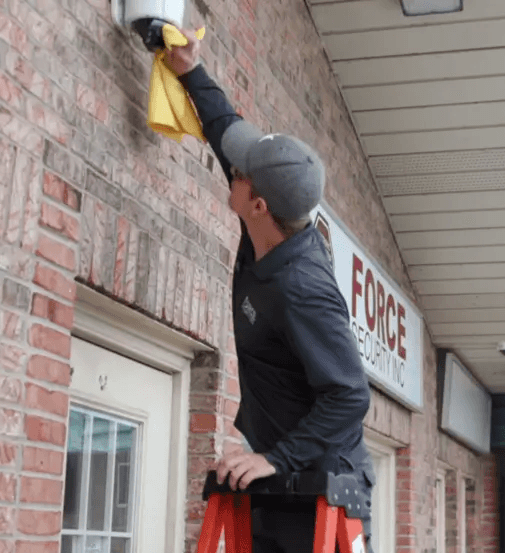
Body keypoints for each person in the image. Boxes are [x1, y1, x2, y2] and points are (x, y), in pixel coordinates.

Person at [164, 28, 377, 553]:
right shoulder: (265, 224)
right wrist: (190, 70)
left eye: (238, 174)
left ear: (257, 203)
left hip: (322, 483)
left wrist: (279, 457)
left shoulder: (302, 287)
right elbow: (225, 133)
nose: (228, 173)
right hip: (281, 464)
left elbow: (350, 393)